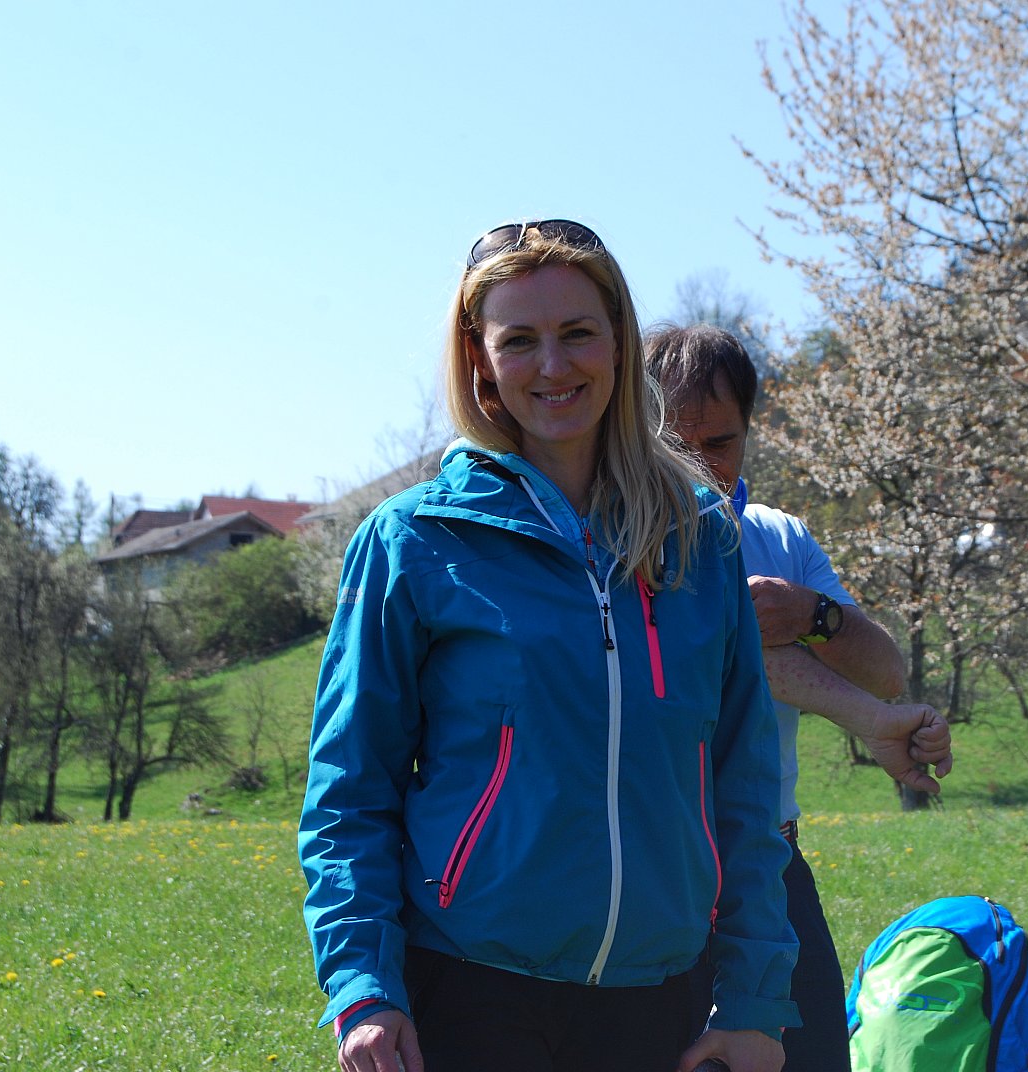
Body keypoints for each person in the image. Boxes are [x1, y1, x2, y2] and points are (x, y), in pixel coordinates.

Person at [299, 221, 798, 1072]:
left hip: (660, 994)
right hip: (468, 988)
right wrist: (364, 988)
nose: (553, 366)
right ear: (480, 357)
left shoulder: (699, 536)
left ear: (619, 341)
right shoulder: (412, 539)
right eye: (519, 340)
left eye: (577, 333)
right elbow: (351, 790)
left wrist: (752, 998)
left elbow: (743, 784)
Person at [647, 323, 953, 1072]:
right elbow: (727, 650)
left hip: (771, 861)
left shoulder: (780, 537)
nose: (700, 468)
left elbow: (885, 670)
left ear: (750, 433)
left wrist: (816, 615)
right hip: (654, 867)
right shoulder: (613, 537)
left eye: (720, 443)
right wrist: (874, 721)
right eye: (675, 446)